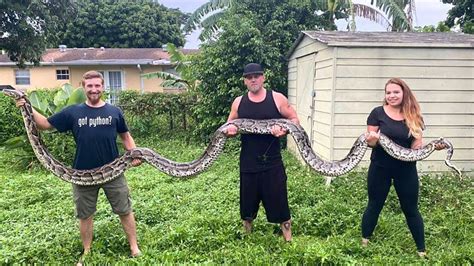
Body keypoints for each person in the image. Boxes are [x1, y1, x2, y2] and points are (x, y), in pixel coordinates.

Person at [16, 71, 142, 263]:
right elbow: (44, 124)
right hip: (82, 174)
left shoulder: (114, 112)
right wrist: (27, 106)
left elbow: (125, 136)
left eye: (97, 86)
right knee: (85, 215)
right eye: (89, 86)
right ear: (84, 88)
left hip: (114, 172)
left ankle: (134, 247)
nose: (93, 89)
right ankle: (87, 250)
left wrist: (135, 153)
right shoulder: (73, 112)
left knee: (125, 210)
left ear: (102, 87)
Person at [362, 78, 445, 258]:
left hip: (406, 169)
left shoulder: (414, 115)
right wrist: (372, 141)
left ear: (404, 93)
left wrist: (431, 147)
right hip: (380, 167)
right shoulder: (377, 113)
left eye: (396, 92)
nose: (391, 96)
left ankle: (421, 251)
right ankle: (364, 243)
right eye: (388, 92)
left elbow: (416, 146)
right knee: (374, 204)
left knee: (411, 208)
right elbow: (370, 142)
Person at [224, 63, 300, 241]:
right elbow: (228, 127)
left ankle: (288, 240)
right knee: (247, 203)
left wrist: (285, 130)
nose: (253, 79)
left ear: (263, 77)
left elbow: (294, 119)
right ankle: (247, 237)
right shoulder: (238, 102)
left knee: (280, 201)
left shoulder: (277, 98)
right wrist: (231, 132)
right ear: (245, 81)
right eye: (249, 77)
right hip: (248, 162)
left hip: (272, 162)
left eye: (256, 76)